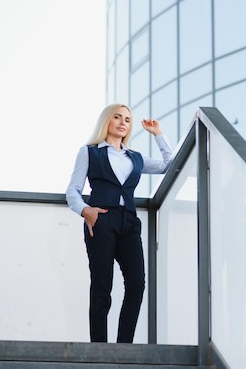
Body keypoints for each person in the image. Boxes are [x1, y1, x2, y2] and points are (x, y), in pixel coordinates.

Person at [65, 103, 174, 343]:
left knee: (137, 284)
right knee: (102, 286)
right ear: (107, 121)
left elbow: (169, 165)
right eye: (117, 117)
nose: (123, 122)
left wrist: (159, 135)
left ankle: (124, 346)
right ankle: (99, 349)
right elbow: (72, 190)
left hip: (129, 224)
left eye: (127, 119)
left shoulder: (135, 157)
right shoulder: (90, 152)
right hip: (101, 220)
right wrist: (85, 211)